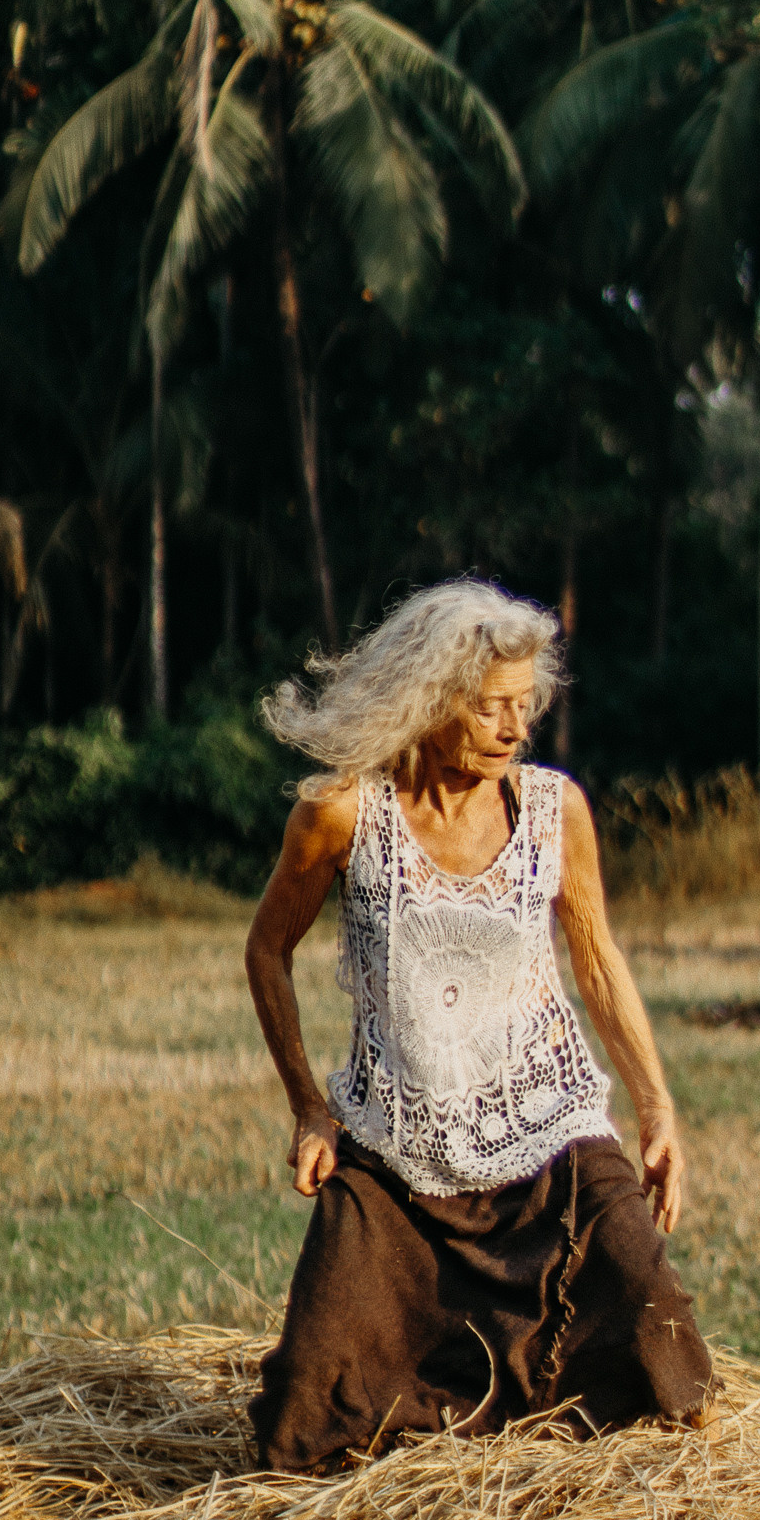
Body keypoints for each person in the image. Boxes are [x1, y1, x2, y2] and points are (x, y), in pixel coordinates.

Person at [241, 577, 714, 1471]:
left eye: (525, 706)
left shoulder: (551, 810)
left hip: (549, 1126)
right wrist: (309, 1106)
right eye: (495, 706)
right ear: (433, 699)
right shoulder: (343, 811)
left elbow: (598, 958)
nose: (516, 726)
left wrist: (656, 1108)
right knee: (308, 1401)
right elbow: (268, 950)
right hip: (392, 1150)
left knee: (657, 1327)